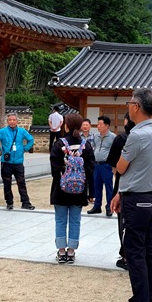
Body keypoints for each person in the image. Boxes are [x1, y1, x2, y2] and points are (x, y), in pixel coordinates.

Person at [110, 88, 152, 302]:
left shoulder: (136, 135)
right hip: (149, 198)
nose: (128, 106)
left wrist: (123, 188)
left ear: (136, 107)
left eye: (130, 102)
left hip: (137, 202)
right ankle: (149, 300)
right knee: (146, 250)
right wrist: (121, 192)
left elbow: (121, 167)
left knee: (134, 253)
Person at [50, 113, 95, 264]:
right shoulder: (85, 145)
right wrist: (90, 190)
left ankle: (61, 251)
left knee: (60, 220)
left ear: (66, 125)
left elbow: (54, 169)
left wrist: (61, 182)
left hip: (61, 189)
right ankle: (71, 251)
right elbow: (90, 168)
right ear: (81, 125)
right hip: (79, 189)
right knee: (75, 220)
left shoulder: (59, 144)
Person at [107, 112, 136, 270]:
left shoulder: (122, 139)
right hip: (141, 185)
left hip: (122, 182)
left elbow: (113, 164)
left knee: (123, 221)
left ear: (126, 121)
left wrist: (117, 173)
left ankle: (126, 255)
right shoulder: (148, 137)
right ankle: (129, 252)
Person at [0, 112, 35, 210]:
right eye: (10, 120)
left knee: (21, 183)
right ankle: (9, 202)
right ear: (7, 121)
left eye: (14, 120)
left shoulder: (22, 131)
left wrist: (25, 148)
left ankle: (25, 202)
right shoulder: (3, 131)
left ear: (17, 121)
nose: (12, 122)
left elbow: (31, 139)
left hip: (18, 162)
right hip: (6, 162)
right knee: (7, 183)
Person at [88, 115, 116, 216]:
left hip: (106, 165)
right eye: (98, 124)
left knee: (109, 187)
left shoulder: (113, 137)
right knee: (97, 186)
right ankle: (97, 206)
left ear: (107, 126)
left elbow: (115, 151)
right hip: (97, 165)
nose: (98, 126)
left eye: (101, 124)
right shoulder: (96, 136)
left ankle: (109, 207)